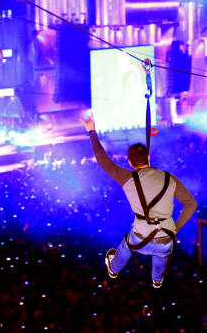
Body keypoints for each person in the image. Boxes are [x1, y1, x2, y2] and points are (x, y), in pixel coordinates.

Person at [81, 114, 197, 288]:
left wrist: (91, 131)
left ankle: (113, 268)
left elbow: (102, 160)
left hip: (140, 240)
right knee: (161, 254)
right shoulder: (169, 178)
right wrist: (176, 228)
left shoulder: (126, 177)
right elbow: (191, 204)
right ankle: (157, 279)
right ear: (148, 158)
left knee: (127, 242)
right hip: (165, 240)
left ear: (129, 162)